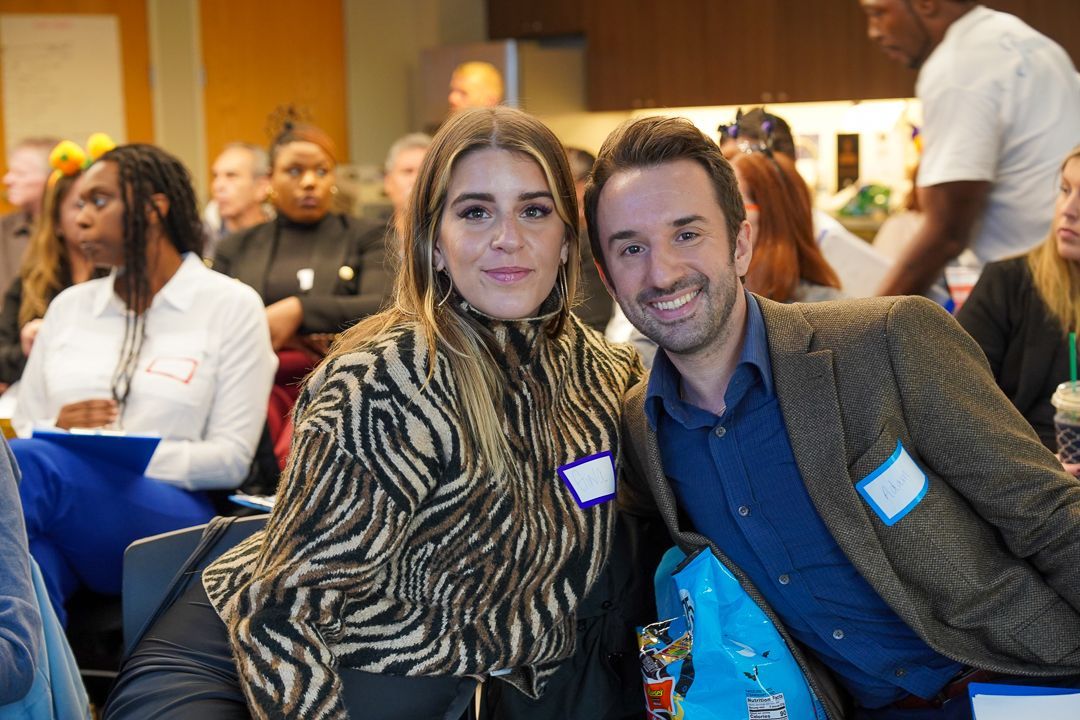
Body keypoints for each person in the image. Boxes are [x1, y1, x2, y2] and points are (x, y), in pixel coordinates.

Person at [104, 106, 643, 720]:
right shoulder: (385, 384)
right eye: (475, 212)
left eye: (534, 209)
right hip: (247, 657)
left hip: (431, 676)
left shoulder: (603, 374)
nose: (507, 238)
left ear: (569, 236)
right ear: (434, 244)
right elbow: (280, 614)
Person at [586, 115, 1080, 720]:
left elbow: (1050, 517)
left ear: (741, 245)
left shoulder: (888, 340)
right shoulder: (643, 430)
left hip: (1018, 682)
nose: (661, 273)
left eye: (687, 234)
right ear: (608, 277)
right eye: (631, 248)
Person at [9, 144, 276, 623]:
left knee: (36, 467)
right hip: (64, 508)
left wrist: (108, 454)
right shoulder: (70, 307)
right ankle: (55, 698)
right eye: (78, 204)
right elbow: (25, 419)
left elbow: (231, 457)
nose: (80, 218)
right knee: (26, 568)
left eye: (99, 201)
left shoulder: (230, 306)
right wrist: (56, 428)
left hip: (173, 518)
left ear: (154, 208)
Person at [859, 0, 1080, 296]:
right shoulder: (1031, 43)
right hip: (1063, 277)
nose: (874, 32)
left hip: (1036, 290)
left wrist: (870, 320)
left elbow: (947, 233)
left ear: (926, 4)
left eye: (879, 13)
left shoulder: (957, 67)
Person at [211, 121, 393, 466]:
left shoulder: (367, 236)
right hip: (253, 387)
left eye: (321, 171)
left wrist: (297, 311)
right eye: (294, 171)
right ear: (269, 181)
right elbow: (213, 323)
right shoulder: (236, 247)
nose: (309, 182)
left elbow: (381, 306)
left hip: (344, 385)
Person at [957, 146, 1080, 455]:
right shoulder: (1008, 283)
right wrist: (1040, 465)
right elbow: (955, 401)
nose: (1069, 209)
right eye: (1065, 190)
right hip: (1020, 471)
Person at [0, 139, 105, 388]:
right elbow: (3, 357)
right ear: (56, 221)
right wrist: (29, 349)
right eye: (79, 205)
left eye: (99, 204)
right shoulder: (32, 281)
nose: (88, 216)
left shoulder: (122, 277)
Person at [731, 150, 843, 303]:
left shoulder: (827, 310)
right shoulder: (723, 302)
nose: (721, 217)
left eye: (733, 205)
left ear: (774, 216)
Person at [1, 138, 57, 294]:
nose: (7, 180)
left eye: (20, 173)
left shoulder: (76, 230)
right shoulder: (3, 229)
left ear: (51, 179)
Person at [567, 147, 614, 331]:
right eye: (570, 205)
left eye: (585, 203)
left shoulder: (593, 242)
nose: (580, 214)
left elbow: (591, 322)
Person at [203, 143, 272, 259]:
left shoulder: (285, 238)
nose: (218, 185)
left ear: (262, 186)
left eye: (231, 176)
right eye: (215, 176)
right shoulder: (201, 241)